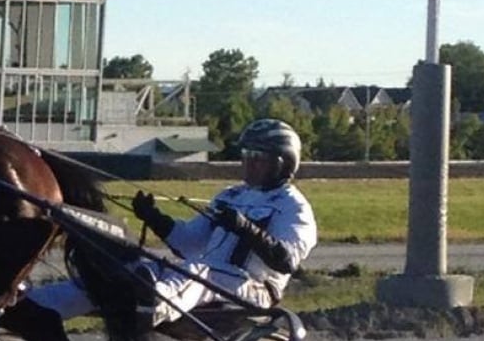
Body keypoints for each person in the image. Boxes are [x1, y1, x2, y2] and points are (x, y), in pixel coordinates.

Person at [27, 118, 318, 326]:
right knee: (134, 268)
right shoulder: (231, 194)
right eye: (246, 156)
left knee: (200, 271)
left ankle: (154, 304)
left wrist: (244, 227)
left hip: (254, 290)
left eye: (258, 158)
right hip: (207, 278)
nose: (248, 163)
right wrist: (154, 217)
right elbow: (188, 242)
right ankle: (37, 304)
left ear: (282, 163)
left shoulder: (293, 208)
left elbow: (286, 261)